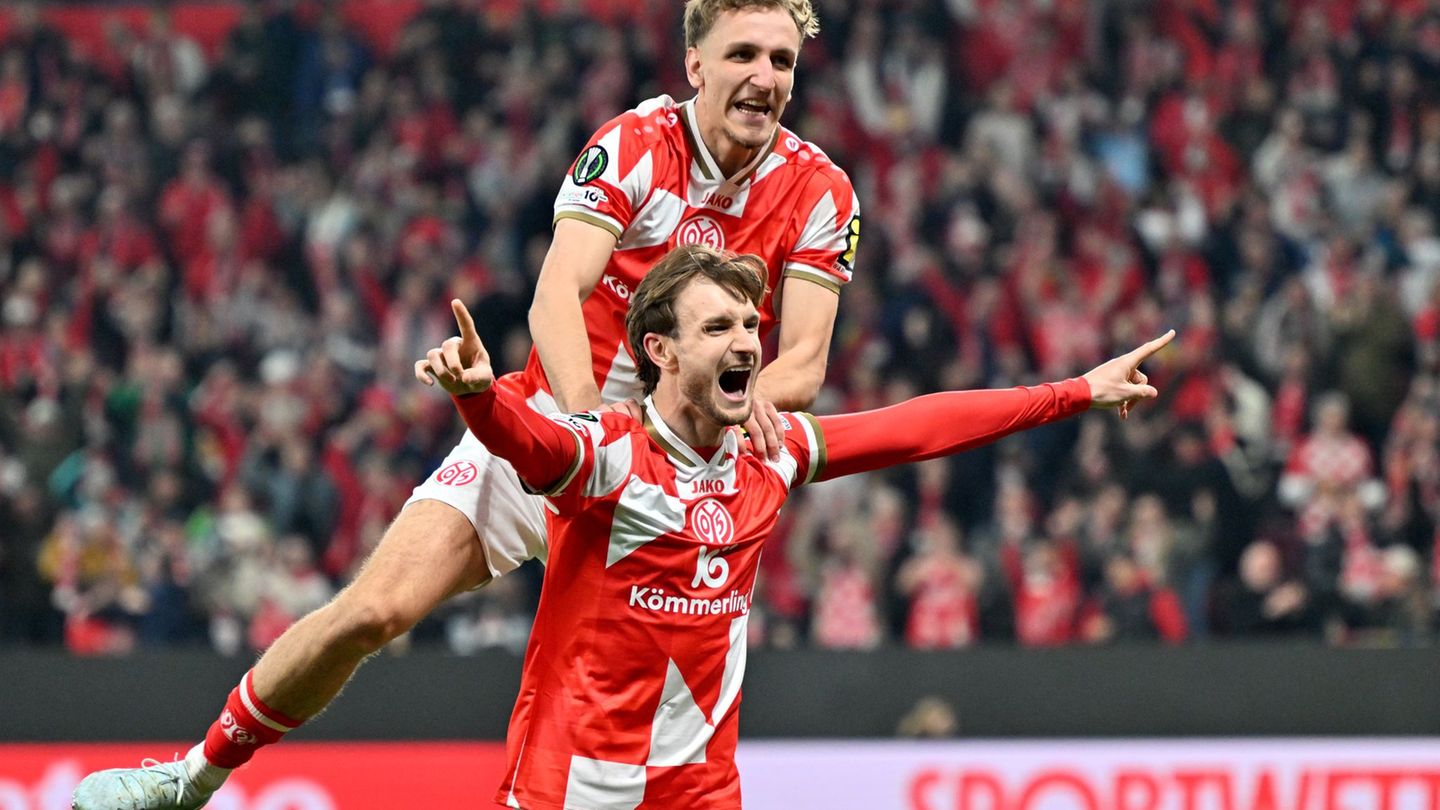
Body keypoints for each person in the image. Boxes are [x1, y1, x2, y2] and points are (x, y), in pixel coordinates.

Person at [72, 1, 858, 807]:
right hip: (549, 439)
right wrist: (594, 436)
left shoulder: (820, 190)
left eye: (782, 62)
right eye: (744, 56)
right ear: (696, 64)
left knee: (638, 721)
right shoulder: (634, 145)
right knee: (372, 613)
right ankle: (192, 777)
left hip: (676, 488)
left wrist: (683, 437)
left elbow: (801, 361)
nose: (765, 78)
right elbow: (557, 292)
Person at [420, 245, 1171, 807]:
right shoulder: (610, 452)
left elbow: (916, 427)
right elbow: (534, 443)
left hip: (700, 793)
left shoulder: (769, 454)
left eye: (751, 323)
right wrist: (480, 400)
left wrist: (1074, 392)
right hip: (569, 787)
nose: (748, 341)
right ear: (661, 351)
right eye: (718, 326)